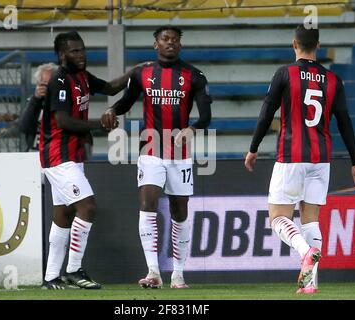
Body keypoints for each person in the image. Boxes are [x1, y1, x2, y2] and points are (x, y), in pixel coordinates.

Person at [244, 25, 355, 294]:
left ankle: (304, 251)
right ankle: (310, 284)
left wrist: (253, 148)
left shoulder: (284, 73)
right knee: (310, 221)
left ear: (294, 44)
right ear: (318, 46)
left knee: (277, 218)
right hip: (321, 160)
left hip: (291, 156)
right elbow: (345, 123)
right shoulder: (333, 80)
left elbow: (266, 114)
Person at [101, 25, 212, 289]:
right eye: (165, 39)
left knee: (179, 211)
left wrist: (192, 128)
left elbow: (206, 115)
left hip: (180, 154)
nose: (170, 43)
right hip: (150, 150)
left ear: (180, 46)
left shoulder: (194, 75)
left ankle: (178, 274)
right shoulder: (142, 73)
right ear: (156, 44)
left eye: (175, 39)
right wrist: (112, 109)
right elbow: (127, 101)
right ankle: (152, 271)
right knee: (147, 202)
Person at [40, 30, 138, 290]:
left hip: (72, 155)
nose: (81, 54)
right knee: (88, 207)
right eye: (75, 51)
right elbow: (62, 121)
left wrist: (134, 73)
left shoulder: (81, 76)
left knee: (63, 214)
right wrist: (99, 123)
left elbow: (109, 87)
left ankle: (51, 277)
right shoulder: (59, 81)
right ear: (62, 54)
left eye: (82, 49)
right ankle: (73, 270)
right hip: (58, 155)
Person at [18, 62, 95, 158]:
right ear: (38, 84)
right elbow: (24, 127)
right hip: (35, 154)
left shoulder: (69, 102)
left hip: (61, 155)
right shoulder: (33, 102)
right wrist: (36, 99)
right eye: (44, 84)